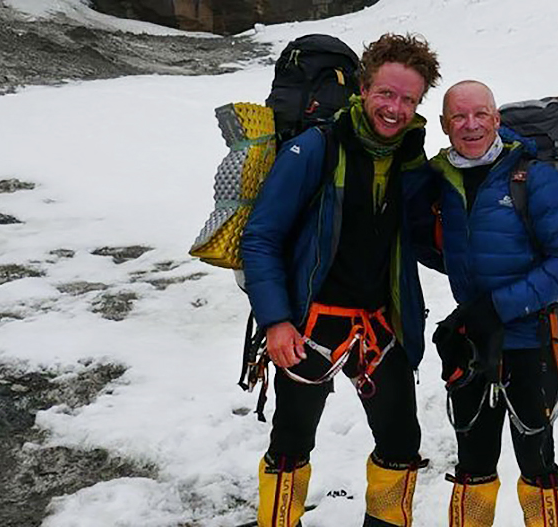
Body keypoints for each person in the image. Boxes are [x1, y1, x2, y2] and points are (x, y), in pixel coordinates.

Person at [240, 33, 440, 527]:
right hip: (309, 327)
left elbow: (435, 235)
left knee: (400, 444)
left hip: (378, 326)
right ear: (363, 88)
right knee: (290, 444)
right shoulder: (315, 148)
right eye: (386, 94)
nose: (395, 108)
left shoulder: (411, 160)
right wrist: (275, 322)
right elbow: (261, 238)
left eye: (408, 99)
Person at [427, 80, 558, 526]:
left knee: (537, 464)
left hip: (532, 340)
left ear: (497, 120)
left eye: (481, 114)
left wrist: (495, 309)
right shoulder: (441, 179)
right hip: (474, 341)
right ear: (444, 125)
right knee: (472, 464)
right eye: (459, 117)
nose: (471, 125)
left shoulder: (535, 178)